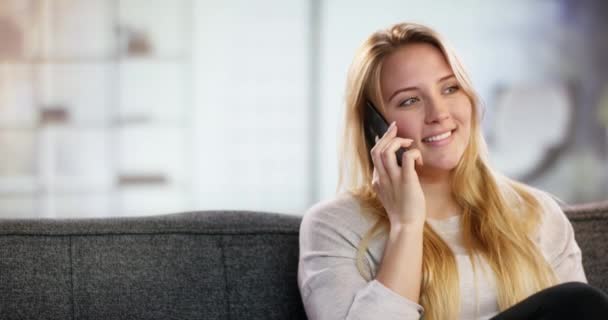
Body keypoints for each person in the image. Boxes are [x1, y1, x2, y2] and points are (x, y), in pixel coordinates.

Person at [297, 22, 608, 320]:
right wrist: (406, 225)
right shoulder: (334, 226)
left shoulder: (535, 212)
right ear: (374, 126)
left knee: (580, 303)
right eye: (410, 100)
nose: (439, 113)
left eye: (450, 89)